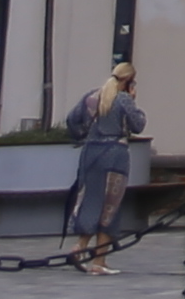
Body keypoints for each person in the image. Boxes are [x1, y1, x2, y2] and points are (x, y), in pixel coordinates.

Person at [60, 65, 145, 275]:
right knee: (110, 206)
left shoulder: (92, 96)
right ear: (128, 81)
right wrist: (133, 101)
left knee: (90, 200)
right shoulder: (123, 99)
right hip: (115, 153)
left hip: (90, 153)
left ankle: (79, 247)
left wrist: (83, 136)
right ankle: (99, 261)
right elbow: (138, 125)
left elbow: (72, 120)